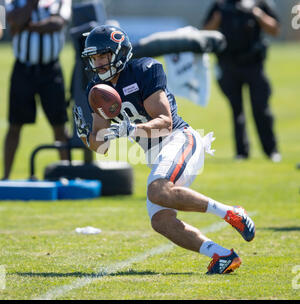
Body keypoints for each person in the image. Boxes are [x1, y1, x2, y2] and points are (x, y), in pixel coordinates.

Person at [73, 25, 256, 274]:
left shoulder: (144, 70)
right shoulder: (97, 88)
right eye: (93, 58)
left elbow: (164, 122)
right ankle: (222, 255)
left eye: (102, 56)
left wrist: (129, 130)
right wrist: (86, 138)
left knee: (158, 190)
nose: (98, 63)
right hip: (155, 154)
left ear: (119, 52)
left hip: (179, 140)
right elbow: (102, 145)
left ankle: (231, 213)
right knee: (161, 221)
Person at [203, 0, 281, 162]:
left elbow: (275, 29)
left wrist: (258, 14)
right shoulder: (220, 5)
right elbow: (205, 32)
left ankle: (271, 151)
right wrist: (218, 18)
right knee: (236, 111)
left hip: (254, 65)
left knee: (261, 108)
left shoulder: (259, 3)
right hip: (229, 65)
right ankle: (241, 152)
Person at [2, 0, 71, 180]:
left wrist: (27, 26)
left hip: (51, 70)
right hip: (23, 70)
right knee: (15, 124)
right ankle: (6, 177)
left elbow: (57, 23)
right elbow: (13, 21)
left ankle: (66, 174)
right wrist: (31, 4)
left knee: (59, 124)